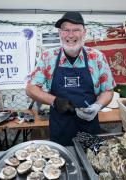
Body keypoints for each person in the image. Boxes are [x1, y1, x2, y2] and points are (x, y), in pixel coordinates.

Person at [26, 11, 116, 146]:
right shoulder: (48, 57)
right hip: (60, 128)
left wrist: (97, 106)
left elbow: (108, 90)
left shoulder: (97, 57)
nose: (71, 35)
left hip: (89, 127)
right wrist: (55, 101)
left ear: (84, 32)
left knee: (91, 163)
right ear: (60, 33)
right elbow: (30, 89)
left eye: (76, 30)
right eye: (66, 30)